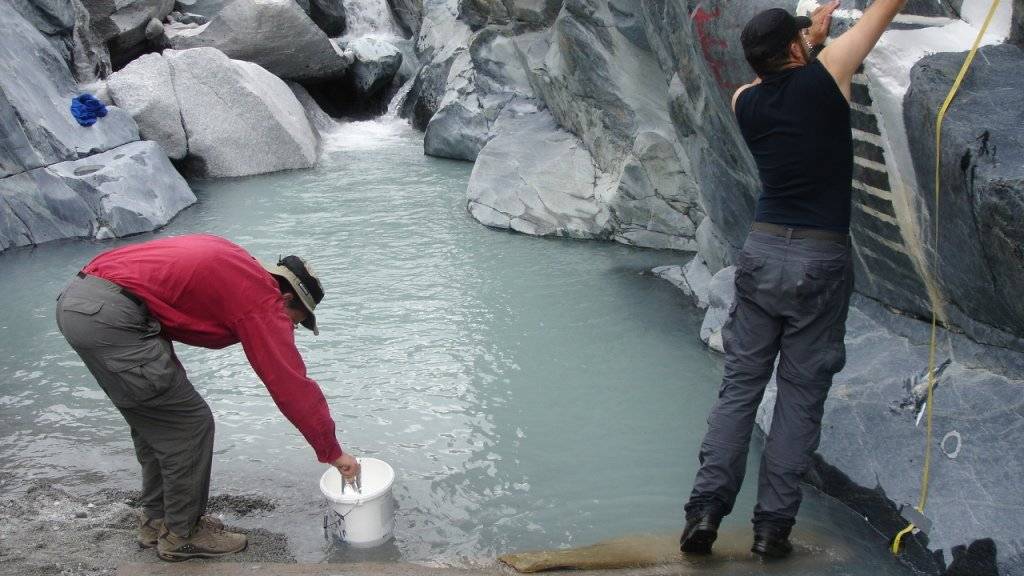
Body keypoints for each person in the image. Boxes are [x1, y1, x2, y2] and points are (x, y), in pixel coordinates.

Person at [680, 0, 908, 558]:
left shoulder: (744, 101)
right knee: (800, 399)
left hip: (761, 254)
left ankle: (705, 513)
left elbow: (782, 74)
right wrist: (818, 41)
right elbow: (886, 10)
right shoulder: (828, 76)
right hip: (819, 260)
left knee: (740, 389)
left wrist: (805, 39)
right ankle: (770, 532)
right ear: (794, 49)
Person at [56, 234, 361, 562]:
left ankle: (158, 520)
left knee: (157, 423)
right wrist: (331, 451)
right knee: (189, 424)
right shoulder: (262, 299)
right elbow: (290, 385)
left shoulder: (237, 265)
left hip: (86, 302)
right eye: (295, 322)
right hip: (114, 317)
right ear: (286, 297)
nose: (289, 328)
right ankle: (182, 535)